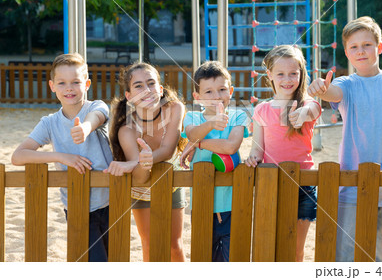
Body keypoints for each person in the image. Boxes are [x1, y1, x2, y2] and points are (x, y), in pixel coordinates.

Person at [308, 16, 382, 262]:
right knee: (345, 256)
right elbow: (332, 91)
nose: (360, 51)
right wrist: (321, 88)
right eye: (354, 47)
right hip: (351, 186)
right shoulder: (346, 84)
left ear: (379, 47)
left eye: (367, 45)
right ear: (347, 53)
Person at [11, 53, 112, 262]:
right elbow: (18, 156)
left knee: (114, 257)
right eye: (62, 82)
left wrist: (85, 127)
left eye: (76, 82)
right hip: (77, 206)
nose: (69, 88)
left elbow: (98, 116)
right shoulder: (49, 123)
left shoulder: (95, 107)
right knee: (96, 262)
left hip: (111, 202)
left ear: (87, 84)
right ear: (52, 86)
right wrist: (61, 156)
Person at [244, 45, 322, 261]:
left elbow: (313, 110)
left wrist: (302, 113)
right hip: (272, 182)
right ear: (269, 75)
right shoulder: (262, 109)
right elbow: (258, 147)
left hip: (303, 183)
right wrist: (253, 158)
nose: (287, 79)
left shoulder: (307, 104)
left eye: (293, 73)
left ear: (301, 74)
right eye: (280, 74)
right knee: (272, 243)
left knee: (296, 248)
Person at [104, 62, 187, 262]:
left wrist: (148, 158)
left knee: (174, 245)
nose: (147, 90)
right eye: (138, 86)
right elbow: (140, 178)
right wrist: (141, 163)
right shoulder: (127, 130)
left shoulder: (175, 108)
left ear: (160, 89)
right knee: (149, 242)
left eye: (151, 83)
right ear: (129, 96)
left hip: (171, 184)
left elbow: (167, 150)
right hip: (141, 190)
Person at [180, 60, 249, 262]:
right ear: (197, 97)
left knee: (230, 259)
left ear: (231, 91)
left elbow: (230, 147)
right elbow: (192, 134)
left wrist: (198, 145)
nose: (217, 96)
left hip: (232, 204)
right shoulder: (192, 116)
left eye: (222, 89)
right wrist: (210, 124)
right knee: (203, 257)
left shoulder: (238, 116)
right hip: (202, 202)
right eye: (208, 92)